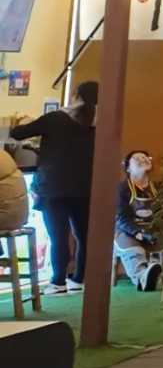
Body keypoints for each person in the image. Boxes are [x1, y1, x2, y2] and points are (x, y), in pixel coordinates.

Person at [11, 81, 98, 294]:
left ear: (75, 95)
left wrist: (18, 121)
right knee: (83, 235)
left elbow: (18, 133)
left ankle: (58, 282)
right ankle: (79, 280)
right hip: (85, 186)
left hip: (53, 186)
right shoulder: (97, 123)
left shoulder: (56, 118)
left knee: (58, 235)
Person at [113, 151, 163, 292]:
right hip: (127, 231)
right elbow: (120, 219)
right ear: (128, 168)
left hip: (153, 230)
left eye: (145, 157)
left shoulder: (158, 187)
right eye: (137, 158)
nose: (143, 159)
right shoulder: (121, 189)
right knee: (134, 251)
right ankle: (142, 276)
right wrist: (139, 233)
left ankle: (157, 272)